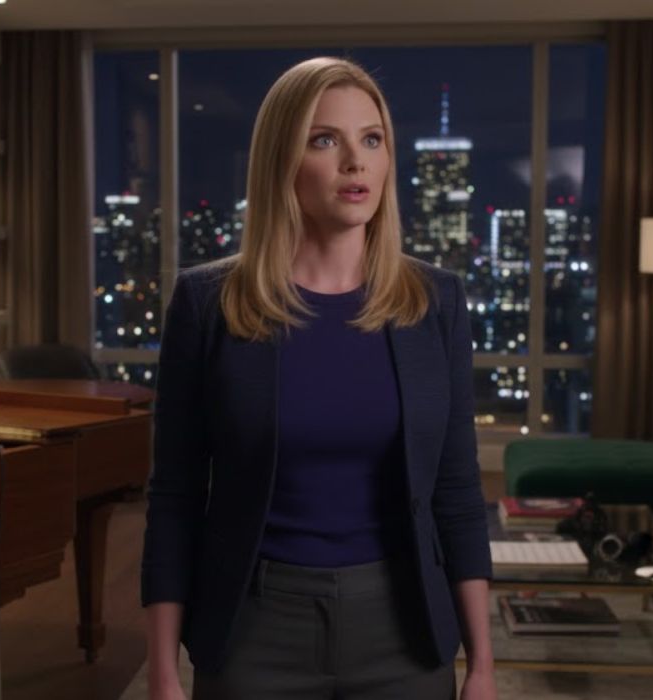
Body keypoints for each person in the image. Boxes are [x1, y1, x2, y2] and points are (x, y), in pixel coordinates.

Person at [141, 56, 496, 700]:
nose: (355, 162)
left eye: (372, 139)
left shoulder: (435, 300)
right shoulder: (207, 303)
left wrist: (484, 667)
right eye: (325, 140)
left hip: (404, 628)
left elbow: (457, 491)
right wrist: (163, 674)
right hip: (254, 630)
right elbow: (176, 496)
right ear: (281, 159)